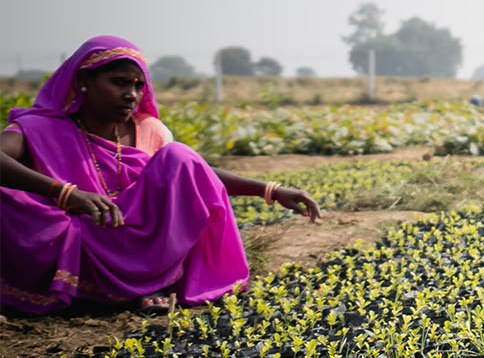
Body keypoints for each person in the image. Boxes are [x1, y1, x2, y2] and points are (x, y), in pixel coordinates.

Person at [1, 35, 321, 315]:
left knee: (180, 155)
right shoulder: (41, 129)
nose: (132, 94)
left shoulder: (149, 129)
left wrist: (271, 190)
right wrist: (64, 192)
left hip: (140, 246)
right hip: (79, 245)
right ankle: (103, 291)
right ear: (83, 80)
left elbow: (198, 173)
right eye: (119, 82)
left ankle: (149, 284)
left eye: (138, 85)